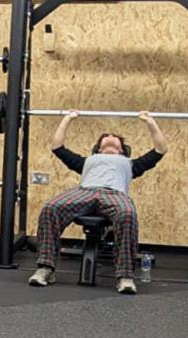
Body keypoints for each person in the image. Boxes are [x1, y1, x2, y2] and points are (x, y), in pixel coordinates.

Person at [28, 111, 168, 294]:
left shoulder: (130, 163)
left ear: (121, 149)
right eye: (106, 137)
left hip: (114, 195)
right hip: (85, 192)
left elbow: (160, 149)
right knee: (50, 208)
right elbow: (57, 146)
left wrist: (150, 121)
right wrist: (68, 118)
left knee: (128, 215)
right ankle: (45, 268)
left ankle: (124, 276)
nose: (110, 137)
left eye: (114, 138)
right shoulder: (88, 161)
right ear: (99, 148)